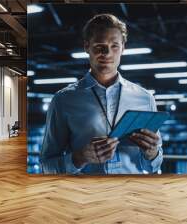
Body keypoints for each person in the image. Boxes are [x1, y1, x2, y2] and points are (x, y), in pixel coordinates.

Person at [40, 14, 163, 174]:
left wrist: (152, 154)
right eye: (99, 46)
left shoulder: (145, 98)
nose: (107, 53)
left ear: (123, 48)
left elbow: (154, 166)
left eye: (114, 46)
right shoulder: (63, 100)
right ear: (86, 47)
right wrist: (80, 158)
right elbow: (46, 166)